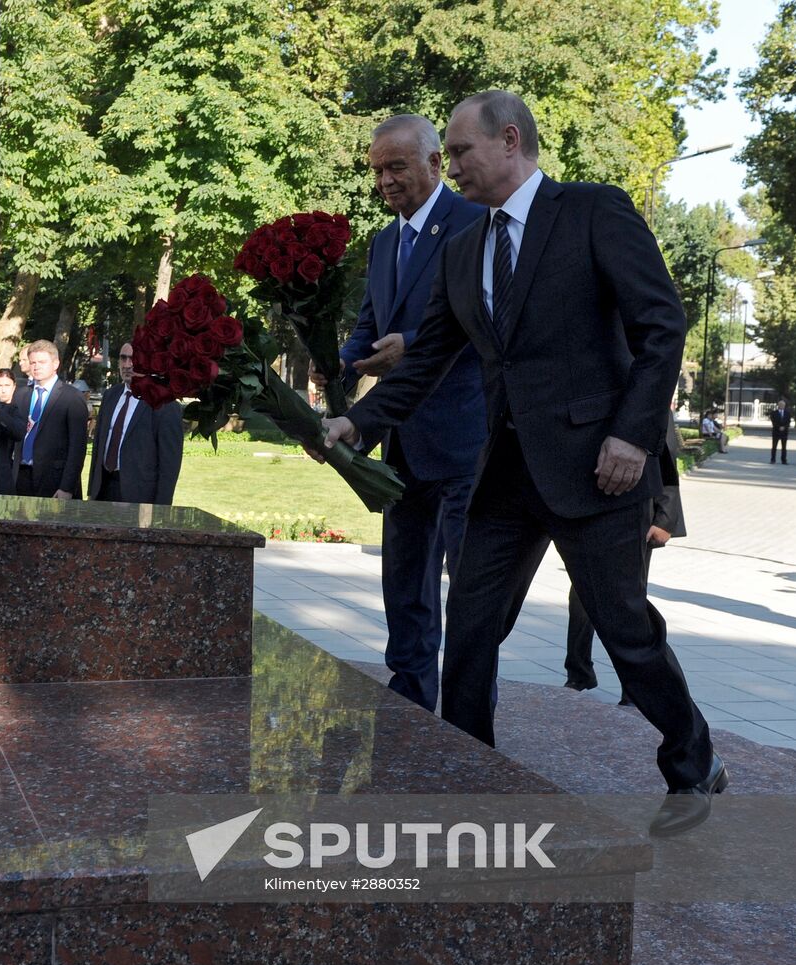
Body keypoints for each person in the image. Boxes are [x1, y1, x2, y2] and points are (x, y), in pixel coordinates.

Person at [321, 90, 725, 837]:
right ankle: (471, 775)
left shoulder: (593, 210)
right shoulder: (463, 247)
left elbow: (661, 325)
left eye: (463, 152)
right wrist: (358, 420)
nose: (455, 166)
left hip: (601, 468)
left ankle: (694, 763)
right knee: (471, 625)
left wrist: (633, 436)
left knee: (623, 627)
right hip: (504, 472)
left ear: (510, 141)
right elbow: (430, 359)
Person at [310, 114, 486, 712]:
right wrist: (337, 361)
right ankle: (410, 702)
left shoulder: (475, 221)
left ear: (435, 163)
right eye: (377, 170)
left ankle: (467, 715)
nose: (384, 180)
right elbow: (369, 325)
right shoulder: (384, 240)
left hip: (468, 440)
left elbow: (486, 321)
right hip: (402, 440)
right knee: (404, 582)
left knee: (467, 590)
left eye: (396, 167)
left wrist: (414, 344)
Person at [565, 413, 686, 705]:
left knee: (629, 604)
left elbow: (666, 459)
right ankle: (579, 672)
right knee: (581, 596)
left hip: (635, 513)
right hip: (588, 508)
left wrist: (666, 519)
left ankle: (635, 689)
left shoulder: (645, 392)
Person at [88, 342, 184, 504]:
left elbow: (169, 465)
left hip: (139, 497)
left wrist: (160, 509)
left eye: (133, 359)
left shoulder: (164, 404)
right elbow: (98, 446)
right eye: (123, 358)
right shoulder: (111, 396)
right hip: (103, 491)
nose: (127, 365)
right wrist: (92, 491)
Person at [10, 340, 89, 499]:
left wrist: (67, 487)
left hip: (54, 481)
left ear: (55, 364)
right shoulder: (21, 395)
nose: (36, 366)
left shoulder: (72, 397)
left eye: (42, 362)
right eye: (33, 362)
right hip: (21, 477)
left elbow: (77, 448)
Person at [0, 368, 26, 497]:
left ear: (14, 387)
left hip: (3, 471)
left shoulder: (15, 409)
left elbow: (18, 432)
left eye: (7, 385)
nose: (3, 389)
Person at [770, 397, 793, 464]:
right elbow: (773, 422)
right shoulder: (774, 413)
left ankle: (784, 460)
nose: (782, 406)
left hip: (784, 432)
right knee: (774, 447)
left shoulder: (787, 413)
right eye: (780, 405)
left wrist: (784, 427)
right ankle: (773, 460)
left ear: (784, 406)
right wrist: (779, 427)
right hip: (776, 432)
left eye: (783, 405)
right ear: (778, 405)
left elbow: (788, 422)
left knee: (784, 447)